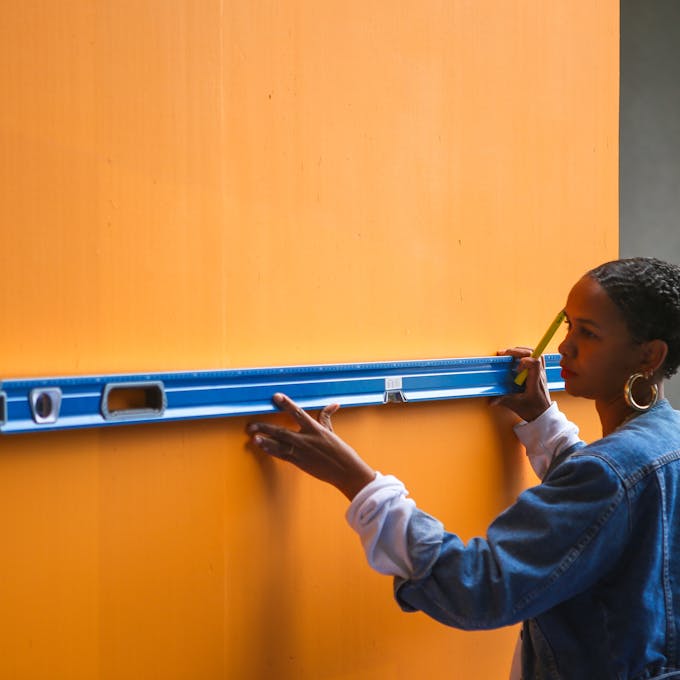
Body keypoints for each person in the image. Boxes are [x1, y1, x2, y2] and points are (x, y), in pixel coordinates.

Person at [246, 257, 680, 680]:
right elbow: (610, 517)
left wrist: (355, 480)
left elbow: (481, 588)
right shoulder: (668, 443)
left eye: (588, 333)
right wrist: (544, 421)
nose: (565, 346)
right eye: (568, 325)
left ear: (649, 356)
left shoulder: (611, 475)